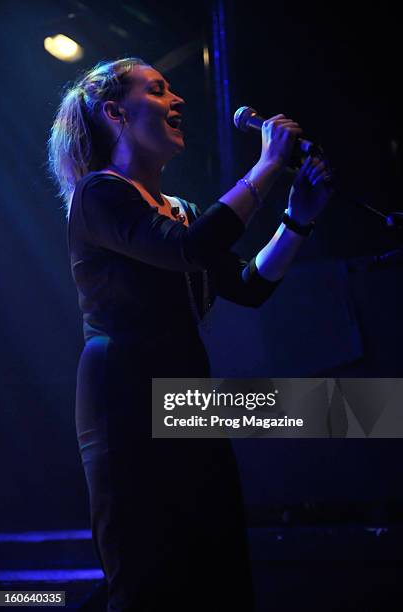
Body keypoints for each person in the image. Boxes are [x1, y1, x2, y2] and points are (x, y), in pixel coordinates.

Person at [48, 57, 333, 611]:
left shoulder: (183, 212)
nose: (177, 101)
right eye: (158, 91)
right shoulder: (99, 195)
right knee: (147, 567)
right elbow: (185, 250)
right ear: (115, 114)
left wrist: (297, 219)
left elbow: (248, 285)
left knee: (216, 557)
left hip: (185, 389)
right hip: (124, 392)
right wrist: (268, 165)